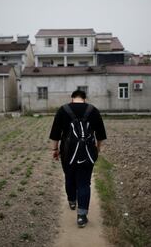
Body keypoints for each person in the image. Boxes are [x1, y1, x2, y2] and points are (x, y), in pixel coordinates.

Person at [49, 90, 107, 228]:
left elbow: (56, 133)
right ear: (85, 99)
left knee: (69, 176)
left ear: (72, 98)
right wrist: (97, 149)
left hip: (67, 152)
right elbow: (100, 135)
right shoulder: (93, 110)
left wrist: (55, 150)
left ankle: (72, 200)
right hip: (87, 152)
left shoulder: (63, 110)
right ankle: (81, 217)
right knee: (84, 183)